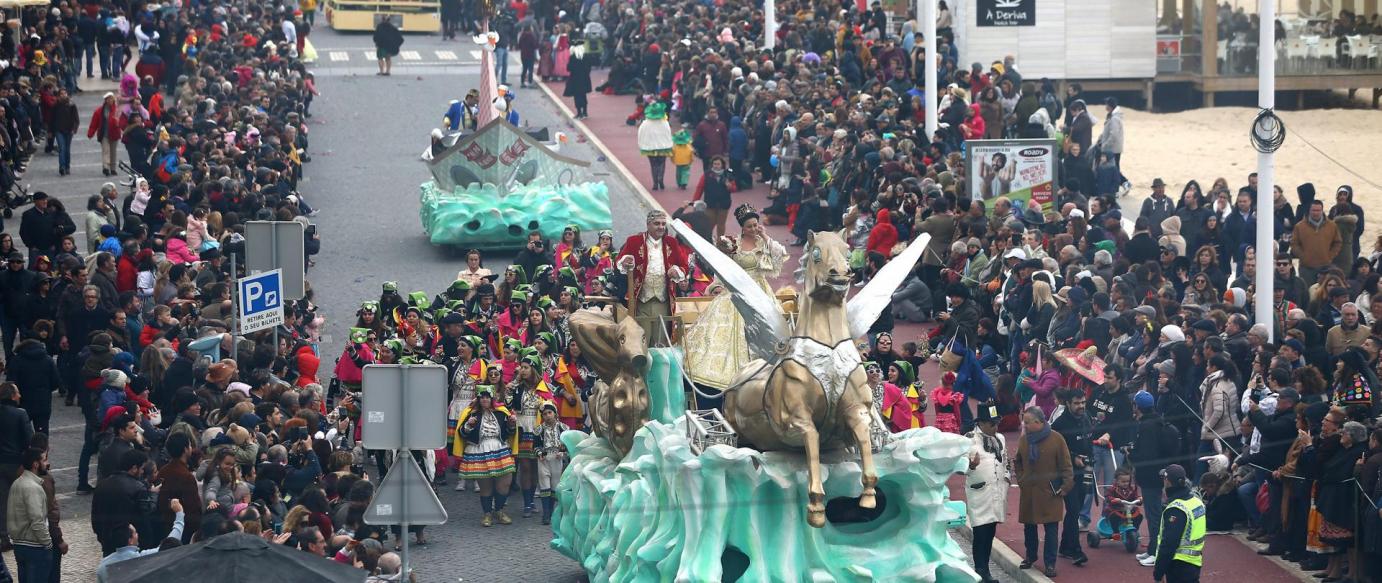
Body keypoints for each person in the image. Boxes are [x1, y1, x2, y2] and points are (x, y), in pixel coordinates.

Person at [683, 204, 786, 389]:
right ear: (742, 228)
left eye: (756, 225)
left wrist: (764, 236)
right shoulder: (733, 243)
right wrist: (716, 285)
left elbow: (779, 256)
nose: (754, 229)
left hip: (760, 292)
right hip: (737, 292)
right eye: (749, 226)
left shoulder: (764, 242)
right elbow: (724, 269)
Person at [1013, 406, 1072, 578]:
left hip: (1050, 493)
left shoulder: (1056, 439)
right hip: (1029, 492)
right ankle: (1030, 556)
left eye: (1027, 423)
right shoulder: (1025, 440)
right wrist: (1021, 479)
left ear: (1039, 422)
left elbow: (1066, 466)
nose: (1024, 426)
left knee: (1051, 530)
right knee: (1029, 527)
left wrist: (1065, 486)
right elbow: (1018, 462)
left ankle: (1050, 564)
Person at [616, 210, 690, 346]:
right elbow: (620, 259)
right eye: (657, 224)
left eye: (663, 224)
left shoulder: (671, 242)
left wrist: (677, 271)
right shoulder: (634, 241)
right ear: (648, 224)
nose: (661, 227)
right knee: (641, 342)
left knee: (661, 343)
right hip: (641, 301)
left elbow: (684, 265)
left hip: (664, 302)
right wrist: (626, 260)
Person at [452, 386, 517, 527]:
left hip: (500, 448)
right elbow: (462, 434)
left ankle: (499, 510)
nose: (485, 399)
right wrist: (468, 426)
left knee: (505, 482)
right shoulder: (470, 414)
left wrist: (511, 424)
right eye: (482, 397)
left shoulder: (501, 413)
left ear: (492, 398)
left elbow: (508, 433)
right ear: (478, 399)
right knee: (485, 486)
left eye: (487, 397)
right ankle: (487, 513)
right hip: (479, 450)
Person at [965, 402, 1008, 583]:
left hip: (997, 492)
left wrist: (1007, 478)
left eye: (997, 423)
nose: (995, 427)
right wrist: (969, 465)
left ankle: (986, 570)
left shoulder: (1000, 438)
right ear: (981, 423)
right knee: (980, 532)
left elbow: (1005, 461)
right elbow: (959, 467)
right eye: (992, 424)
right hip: (979, 493)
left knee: (990, 532)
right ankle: (980, 570)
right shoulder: (969, 439)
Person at [94, 498, 184, 583]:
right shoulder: (144, 558)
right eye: (135, 533)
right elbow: (171, 541)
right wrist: (179, 514)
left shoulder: (103, 566)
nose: (137, 535)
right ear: (130, 540)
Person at [1151, 464, 1204, 583]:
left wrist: (1158, 573)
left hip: (1178, 565)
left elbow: (1168, 544)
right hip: (1194, 560)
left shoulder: (1176, 509)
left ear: (1167, 481)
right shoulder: (1196, 502)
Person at [6, 447, 50, 583]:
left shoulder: (16, 483)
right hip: (34, 547)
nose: (47, 463)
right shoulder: (33, 488)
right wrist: (48, 543)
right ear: (35, 464)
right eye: (44, 459)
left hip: (19, 545)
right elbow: (37, 520)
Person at [637, 102, 673, 191]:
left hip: (650, 147)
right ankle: (661, 178)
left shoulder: (645, 123)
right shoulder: (665, 122)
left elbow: (641, 134)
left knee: (653, 165)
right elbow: (668, 134)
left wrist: (642, 145)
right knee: (662, 163)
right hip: (663, 146)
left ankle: (655, 183)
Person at [564, 39, 592, 119]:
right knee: (583, 95)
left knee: (577, 96)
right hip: (585, 78)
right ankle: (585, 112)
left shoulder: (572, 57)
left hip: (575, 79)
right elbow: (589, 67)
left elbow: (569, 68)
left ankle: (579, 113)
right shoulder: (586, 56)